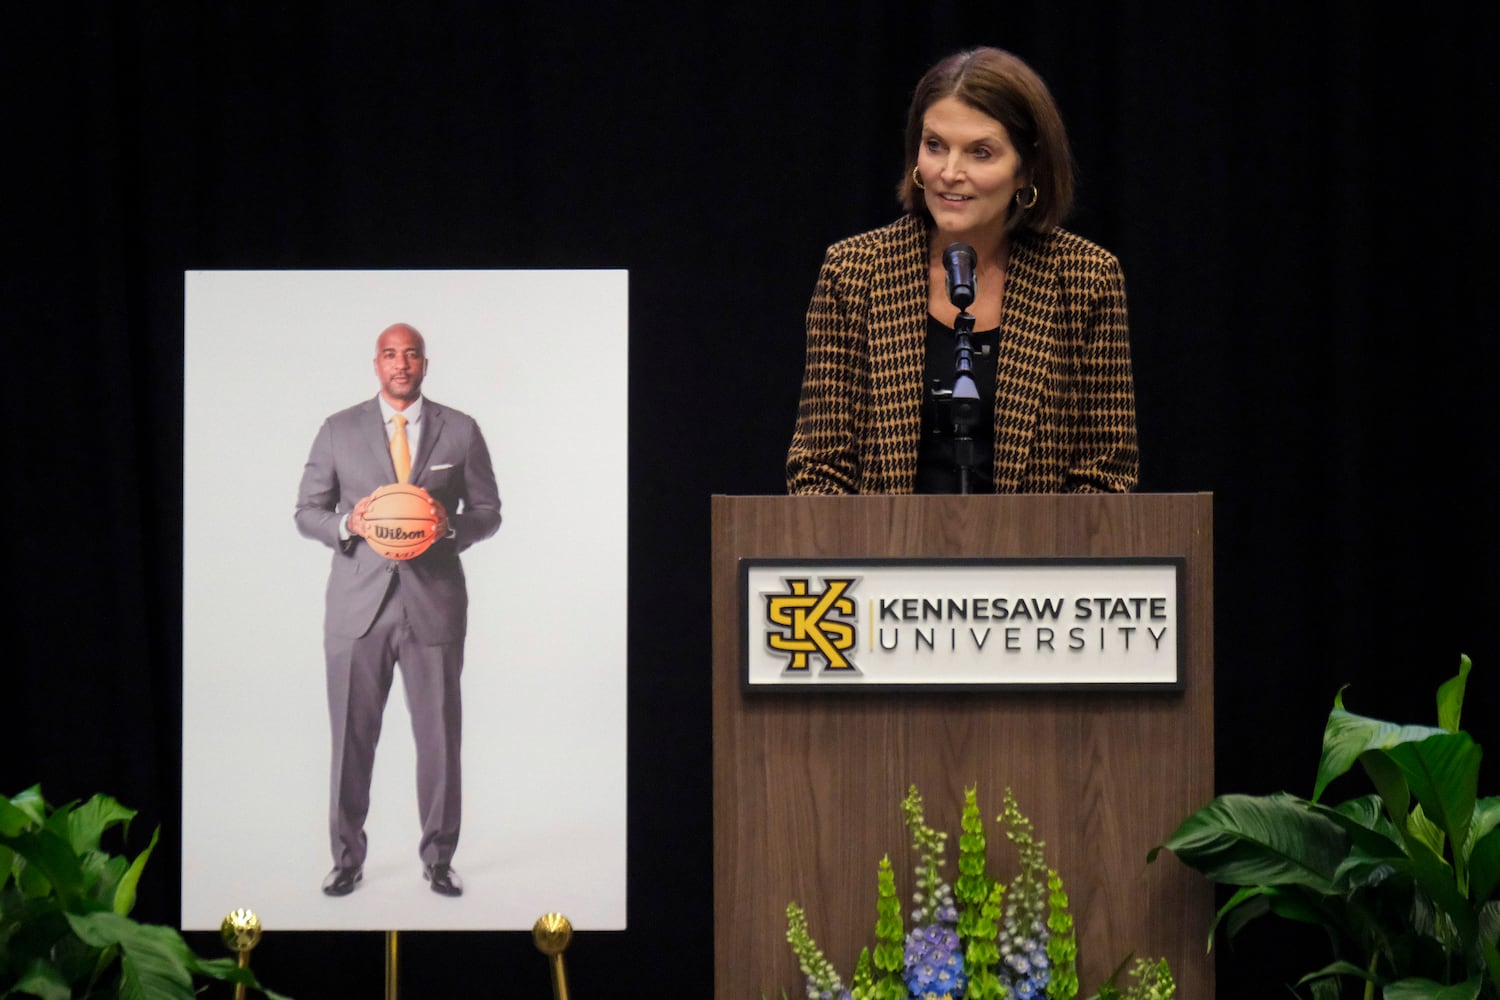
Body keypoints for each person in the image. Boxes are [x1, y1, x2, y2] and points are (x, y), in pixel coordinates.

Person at [786, 47, 1139, 495]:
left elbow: (1104, 478)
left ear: (1026, 169)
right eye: (935, 146)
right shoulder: (853, 273)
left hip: (1034, 560)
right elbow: (819, 472)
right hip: (885, 558)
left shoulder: (1086, 280)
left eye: (980, 153)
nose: (950, 172)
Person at [295, 322, 501, 898]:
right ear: (377, 364)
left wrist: (450, 526)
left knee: (439, 736)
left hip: (433, 604)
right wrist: (347, 523)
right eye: (390, 354)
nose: (401, 364)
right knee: (350, 738)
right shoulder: (338, 430)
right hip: (357, 608)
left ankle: (438, 859)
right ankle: (345, 858)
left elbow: (489, 509)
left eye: (411, 355)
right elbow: (307, 510)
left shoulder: (459, 430)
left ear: (425, 364)